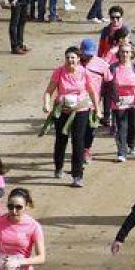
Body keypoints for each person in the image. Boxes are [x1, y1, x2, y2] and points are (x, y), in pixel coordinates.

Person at [42, 46, 100, 188]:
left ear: (79, 58)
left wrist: (97, 110)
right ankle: (59, 166)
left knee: (78, 141)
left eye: (73, 57)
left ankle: (77, 176)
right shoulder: (59, 72)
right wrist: (47, 104)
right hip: (62, 110)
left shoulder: (85, 72)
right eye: (67, 57)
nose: (70, 60)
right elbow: (49, 91)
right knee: (61, 139)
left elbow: (92, 92)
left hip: (81, 110)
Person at [0, 188, 45, 270]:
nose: (14, 211)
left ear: (26, 206)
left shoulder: (34, 226)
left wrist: (18, 262)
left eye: (19, 207)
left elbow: (41, 258)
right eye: (10, 207)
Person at [108, 38, 135, 162]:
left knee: (132, 125)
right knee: (121, 127)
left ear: (131, 53)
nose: (125, 54)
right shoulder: (113, 67)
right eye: (122, 52)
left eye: (127, 52)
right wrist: (112, 98)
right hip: (119, 102)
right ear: (119, 53)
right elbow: (108, 83)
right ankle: (122, 152)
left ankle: (132, 144)